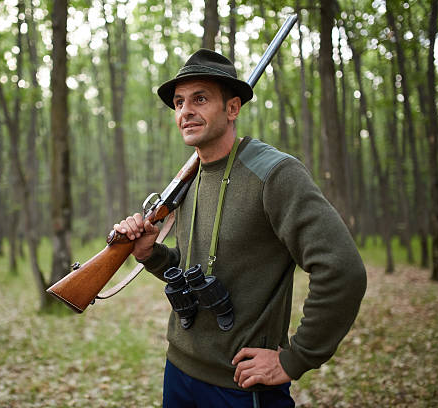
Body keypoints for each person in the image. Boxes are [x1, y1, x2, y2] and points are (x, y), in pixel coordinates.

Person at [114, 49, 367, 408]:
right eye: (179, 102)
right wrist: (152, 255)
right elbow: (194, 269)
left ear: (232, 108)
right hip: (179, 371)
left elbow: (343, 269)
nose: (186, 111)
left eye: (200, 98)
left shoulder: (275, 174)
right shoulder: (191, 178)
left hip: (240, 387)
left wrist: (295, 358)